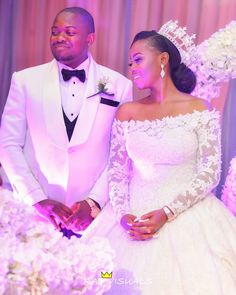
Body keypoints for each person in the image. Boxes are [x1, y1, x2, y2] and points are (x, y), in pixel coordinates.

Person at [81, 23, 236, 294]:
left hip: (189, 217)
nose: (132, 68)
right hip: (130, 218)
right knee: (106, 277)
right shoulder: (127, 111)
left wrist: (167, 212)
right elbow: (116, 172)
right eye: (130, 63)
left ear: (163, 59)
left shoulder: (200, 109)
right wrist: (123, 216)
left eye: (138, 59)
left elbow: (210, 172)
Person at [0, 7, 132, 236]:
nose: (60, 37)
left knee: (102, 274)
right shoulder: (25, 81)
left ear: (90, 38)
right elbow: (8, 144)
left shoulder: (119, 86)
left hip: (94, 220)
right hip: (35, 216)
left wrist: (93, 203)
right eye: (55, 32)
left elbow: (120, 154)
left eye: (69, 32)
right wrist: (37, 199)